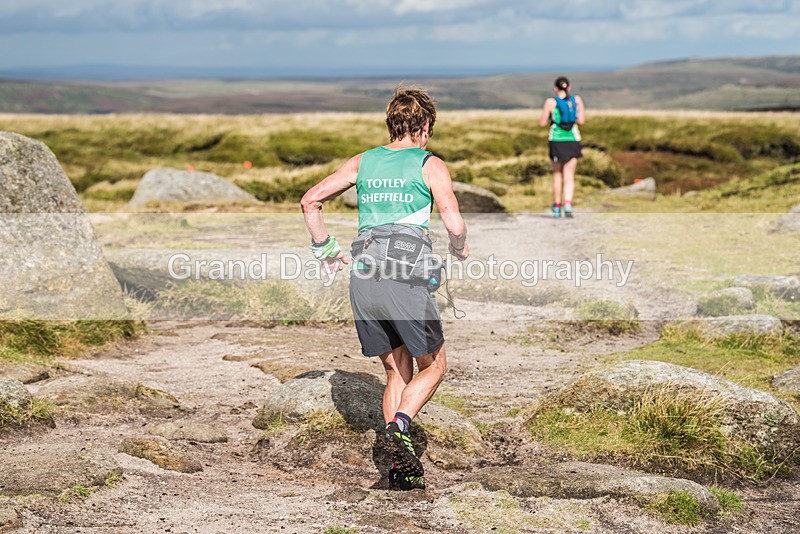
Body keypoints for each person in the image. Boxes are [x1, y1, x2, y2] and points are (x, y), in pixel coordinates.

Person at [300, 87, 468, 490]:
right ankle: (399, 426)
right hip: (403, 278)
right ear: (424, 126)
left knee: (396, 370)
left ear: (392, 124)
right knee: (434, 366)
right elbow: (454, 223)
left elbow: (310, 201)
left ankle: (397, 469)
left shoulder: (363, 161)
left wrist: (326, 250)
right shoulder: (429, 164)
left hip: (363, 278)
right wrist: (460, 248)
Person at [538, 76, 585, 218]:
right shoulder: (577, 100)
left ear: (555, 88)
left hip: (556, 141)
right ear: (568, 87)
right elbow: (581, 121)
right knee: (569, 175)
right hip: (573, 140)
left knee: (557, 174)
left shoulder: (550, 102)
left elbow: (542, 123)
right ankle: (568, 205)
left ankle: (557, 206)